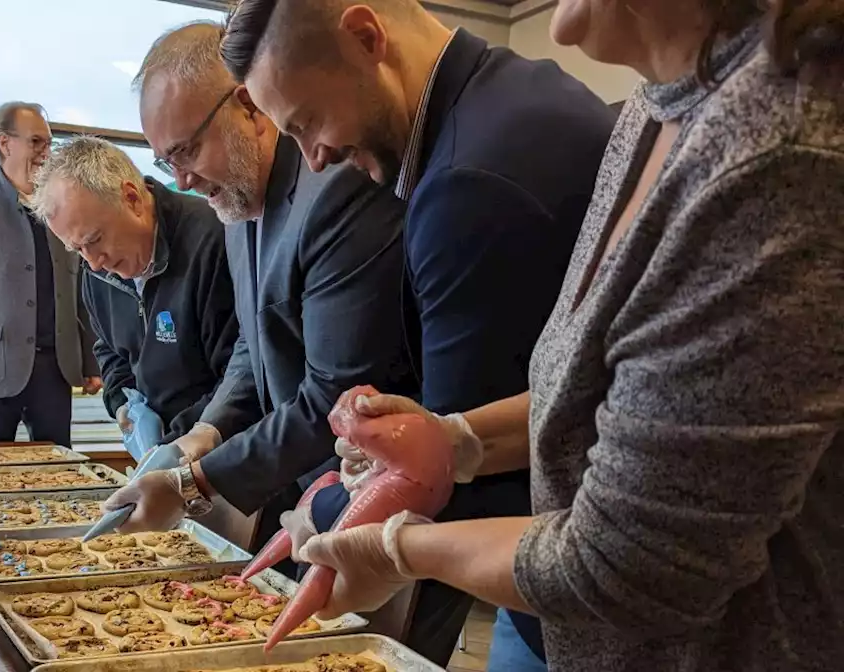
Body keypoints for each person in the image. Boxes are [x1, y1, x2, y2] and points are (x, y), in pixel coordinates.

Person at [268, 2, 844, 671]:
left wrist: (399, 550)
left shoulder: (777, 150)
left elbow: (632, 565)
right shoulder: (655, 107)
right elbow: (616, 404)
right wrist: (457, 440)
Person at [219, 1, 615, 666]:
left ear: (367, 36)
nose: (314, 159)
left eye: (308, 122)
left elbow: (455, 495)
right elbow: (570, 395)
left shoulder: (468, 182)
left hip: (589, 591)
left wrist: (325, 512)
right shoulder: (511, 93)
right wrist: (443, 435)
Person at [102, 21, 414, 558]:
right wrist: (207, 431)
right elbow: (254, 344)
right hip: (312, 483)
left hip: (387, 485)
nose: (181, 181)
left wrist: (195, 481)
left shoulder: (337, 190)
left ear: (246, 105)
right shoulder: (238, 203)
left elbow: (331, 396)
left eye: (187, 150)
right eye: (165, 162)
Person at [30, 137, 238, 444]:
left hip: (224, 448)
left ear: (131, 198)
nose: (95, 263)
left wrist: (176, 446)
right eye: (77, 249)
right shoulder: (96, 268)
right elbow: (109, 347)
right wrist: (122, 403)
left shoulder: (213, 240)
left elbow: (239, 376)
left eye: (95, 239)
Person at [0, 101, 101, 447]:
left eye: (49, 143)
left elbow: (80, 293)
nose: (46, 153)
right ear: (4, 143)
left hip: (55, 373)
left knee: (60, 475)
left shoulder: (60, 212)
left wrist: (91, 362)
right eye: (37, 142)